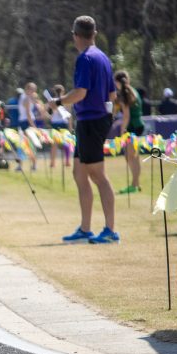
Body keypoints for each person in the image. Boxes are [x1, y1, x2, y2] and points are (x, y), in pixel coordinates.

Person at [52, 16, 118, 244]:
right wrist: (107, 118)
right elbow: (112, 95)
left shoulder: (86, 58)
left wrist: (58, 102)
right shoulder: (103, 58)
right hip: (93, 120)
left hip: (91, 121)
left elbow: (80, 93)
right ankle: (85, 228)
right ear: (95, 33)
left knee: (97, 175)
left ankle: (110, 230)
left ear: (75, 36)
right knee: (79, 173)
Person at [114, 71, 145, 194]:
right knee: (134, 157)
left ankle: (134, 185)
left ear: (117, 82)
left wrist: (122, 132)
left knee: (129, 156)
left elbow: (126, 116)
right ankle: (136, 184)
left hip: (131, 127)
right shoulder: (133, 90)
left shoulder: (124, 93)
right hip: (139, 125)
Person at [49, 84, 72, 167]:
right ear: (63, 91)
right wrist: (70, 127)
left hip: (55, 123)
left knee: (54, 144)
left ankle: (52, 163)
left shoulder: (51, 100)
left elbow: (50, 113)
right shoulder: (67, 100)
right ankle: (67, 161)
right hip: (64, 123)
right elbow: (69, 115)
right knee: (67, 143)